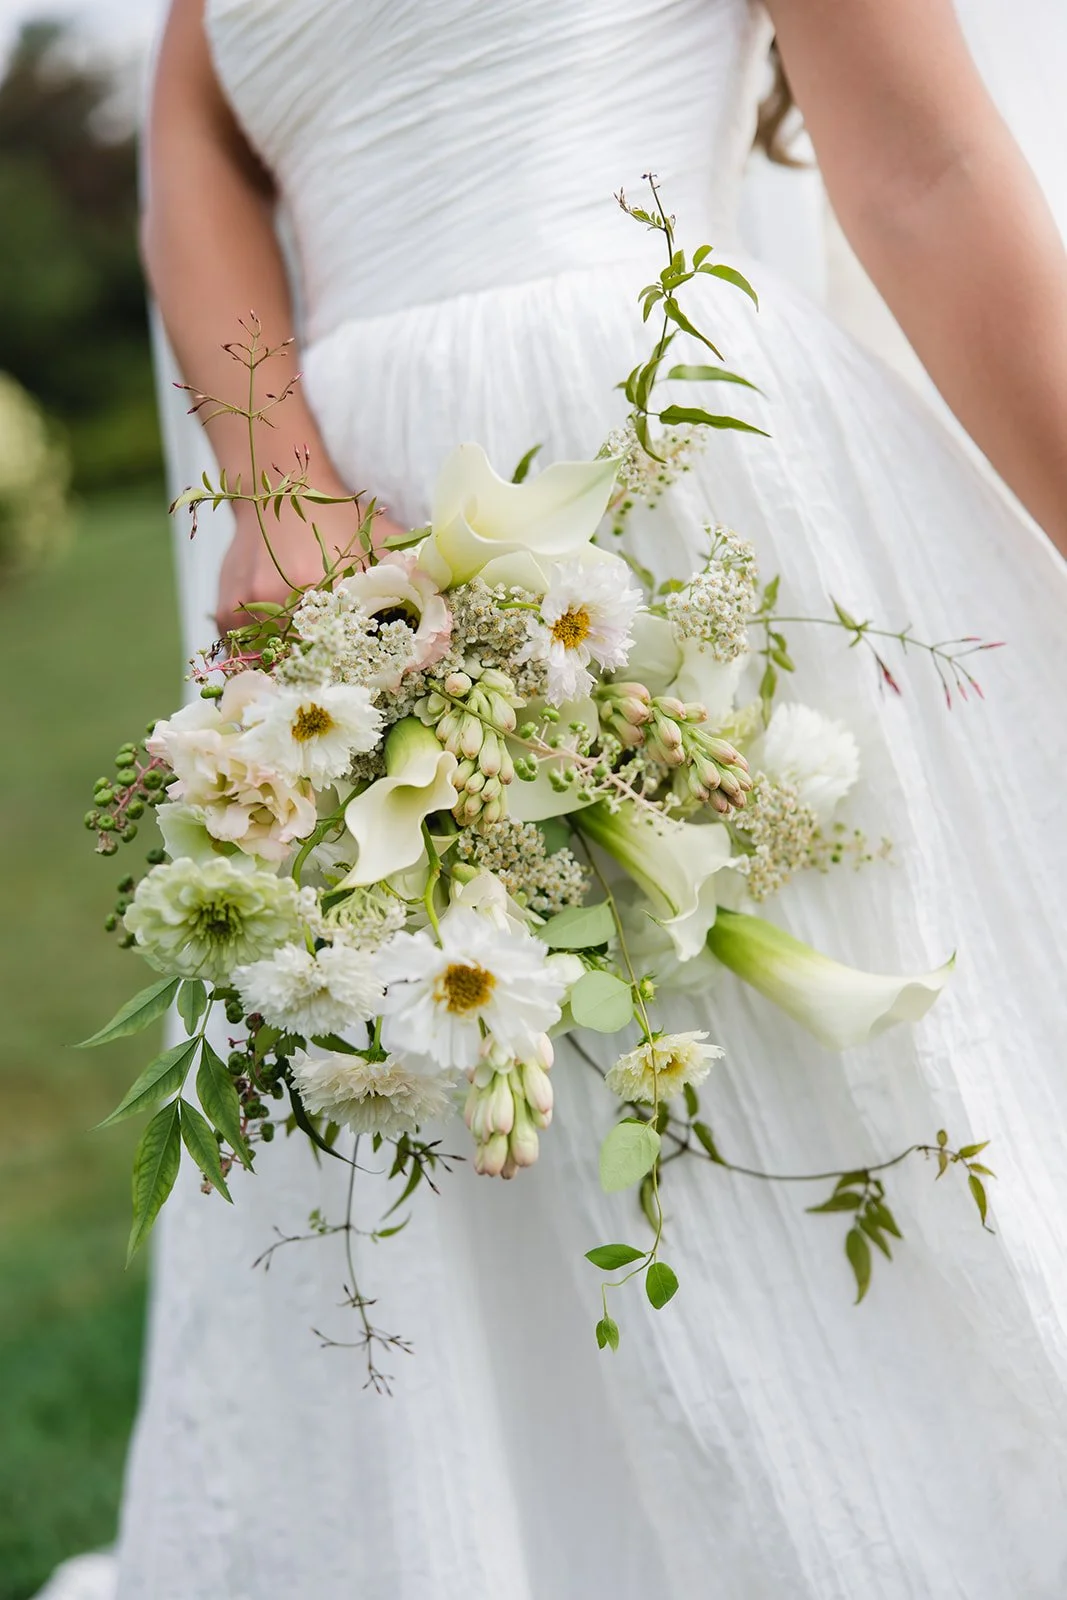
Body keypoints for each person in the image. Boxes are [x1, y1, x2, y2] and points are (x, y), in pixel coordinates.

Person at [96, 0, 1067, 1595]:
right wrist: (278, 486)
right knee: (445, 1125)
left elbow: (927, 174)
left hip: (650, 477)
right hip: (353, 540)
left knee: (786, 1116)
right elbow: (193, 142)